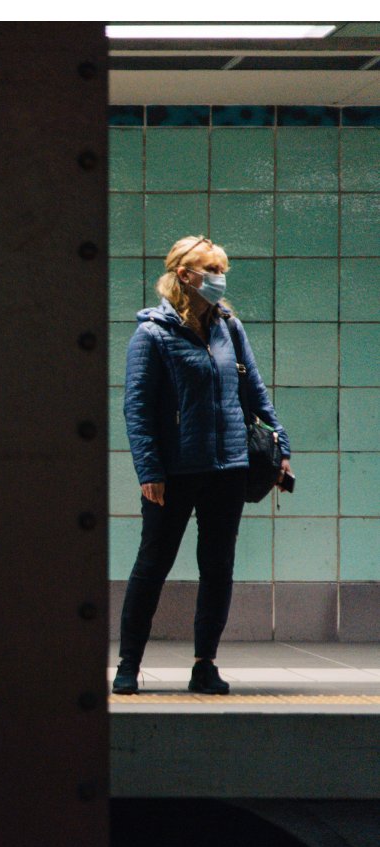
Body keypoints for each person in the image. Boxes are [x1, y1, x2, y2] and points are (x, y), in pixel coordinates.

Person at [116, 235, 291, 696]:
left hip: (228, 466)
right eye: (211, 269)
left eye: (222, 269)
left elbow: (253, 391)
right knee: (153, 563)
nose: (219, 278)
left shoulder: (228, 327)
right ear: (183, 274)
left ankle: (204, 664)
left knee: (217, 566)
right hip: (173, 470)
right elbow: (137, 408)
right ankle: (128, 663)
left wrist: (281, 447)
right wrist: (149, 471)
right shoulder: (152, 334)